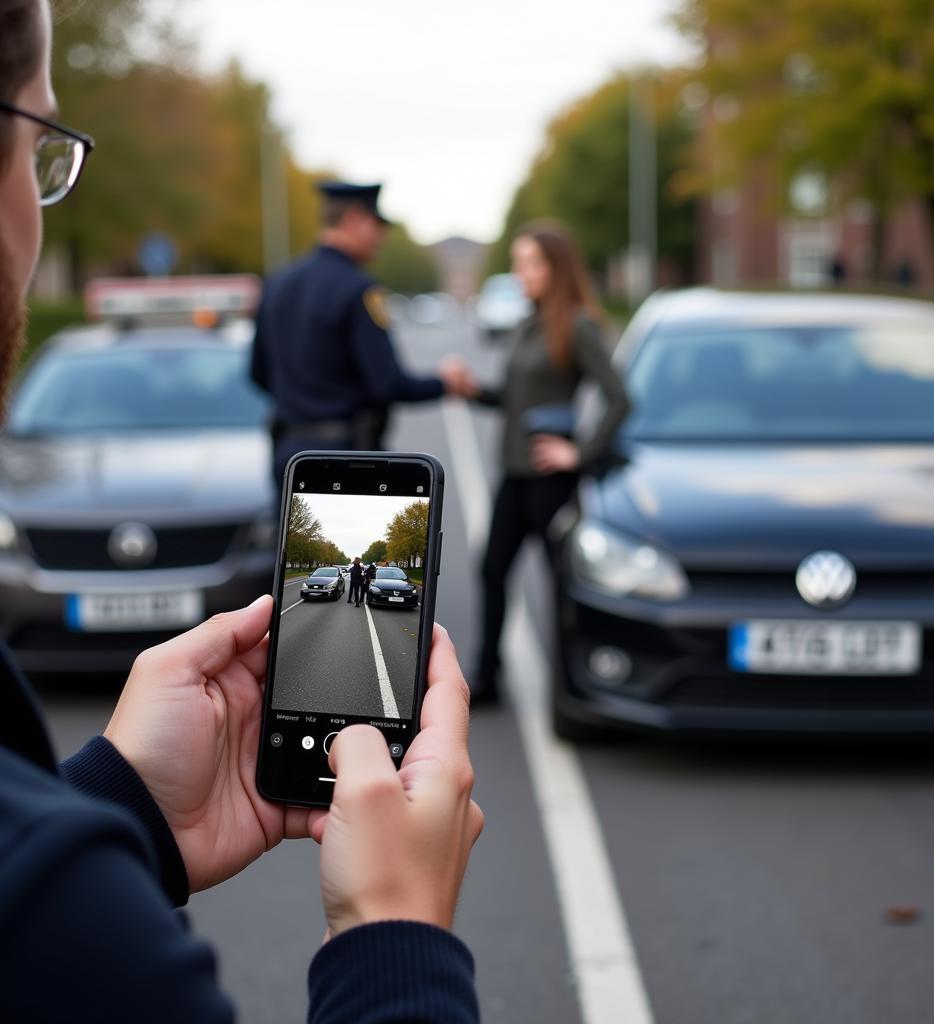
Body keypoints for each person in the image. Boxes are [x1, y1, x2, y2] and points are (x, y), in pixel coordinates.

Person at [0, 3, 483, 1020]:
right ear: (358, 226)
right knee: (353, 616)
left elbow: (262, 371)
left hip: (289, 454)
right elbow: (381, 371)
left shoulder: (282, 288)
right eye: (42, 142)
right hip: (352, 449)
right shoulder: (59, 920)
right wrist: (393, 928)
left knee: (307, 608)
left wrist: (121, 800)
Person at [454, 221, 631, 703]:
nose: (521, 273)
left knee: (563, 587)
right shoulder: (526, 323)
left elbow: (619, 399)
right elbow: (514, 398)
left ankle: (575, 681)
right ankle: (488, 677)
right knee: (492, 571)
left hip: (552, 480)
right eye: (518, 263)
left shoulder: (578, 324)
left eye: (531, 263)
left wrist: (581, 453)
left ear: (557, 267)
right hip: (514, 474)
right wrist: (474, 390)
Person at [250, 179, 467, 480]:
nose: (382, 236)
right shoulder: (359, 290)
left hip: (289, 455)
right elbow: (387, 384)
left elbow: (257, 372)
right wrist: (445, 382)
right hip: (346, 461)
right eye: (377, 225)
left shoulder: (276, 283)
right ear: (354, 219)